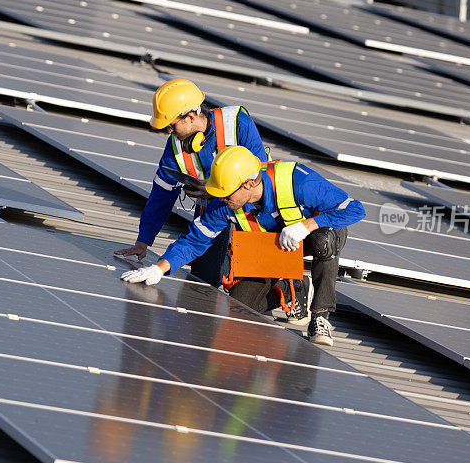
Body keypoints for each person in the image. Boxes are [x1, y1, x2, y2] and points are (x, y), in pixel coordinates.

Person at [120, 146, 366, 346]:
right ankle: (293, 288)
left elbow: (355, 209)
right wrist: (158, 269)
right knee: (239, 311)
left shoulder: (298, 182)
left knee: (326, 241)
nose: (223, 199)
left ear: (248, 184)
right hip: (274, 247)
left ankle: (320, 316)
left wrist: (308, 225)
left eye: (227, 193)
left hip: (314, 236)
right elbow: (196, 239)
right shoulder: (226, 203)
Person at [114, 78, 268, 261]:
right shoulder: (175, 148)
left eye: (171, 125)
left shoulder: (237, 124)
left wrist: (213, 191)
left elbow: (260, 176)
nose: (169, 131)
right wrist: (143, 242)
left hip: (254, 219)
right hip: (211, 221)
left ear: (191, 117)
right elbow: (161, 195)